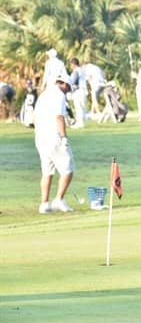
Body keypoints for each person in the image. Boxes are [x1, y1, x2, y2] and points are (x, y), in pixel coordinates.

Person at [34, 72, 75, 213]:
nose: (67, 90)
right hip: (54, 136)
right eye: (68, 87)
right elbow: (59, 117)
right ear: (63, 84)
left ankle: (44, 204)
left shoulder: (44, 94)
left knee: (47, 171)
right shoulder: (59, 95)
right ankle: (59, 199)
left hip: (40, 137)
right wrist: (64, 137)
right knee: (68, 168)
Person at [68, 58, 87, 128]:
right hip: (83, 90)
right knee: (81, 107)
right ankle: (80, 122)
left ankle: (80, 123)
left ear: (73, 64)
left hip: (78, 91)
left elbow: (73, 81)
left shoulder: (76, 71)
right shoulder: (81, 70)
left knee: (78, 107)